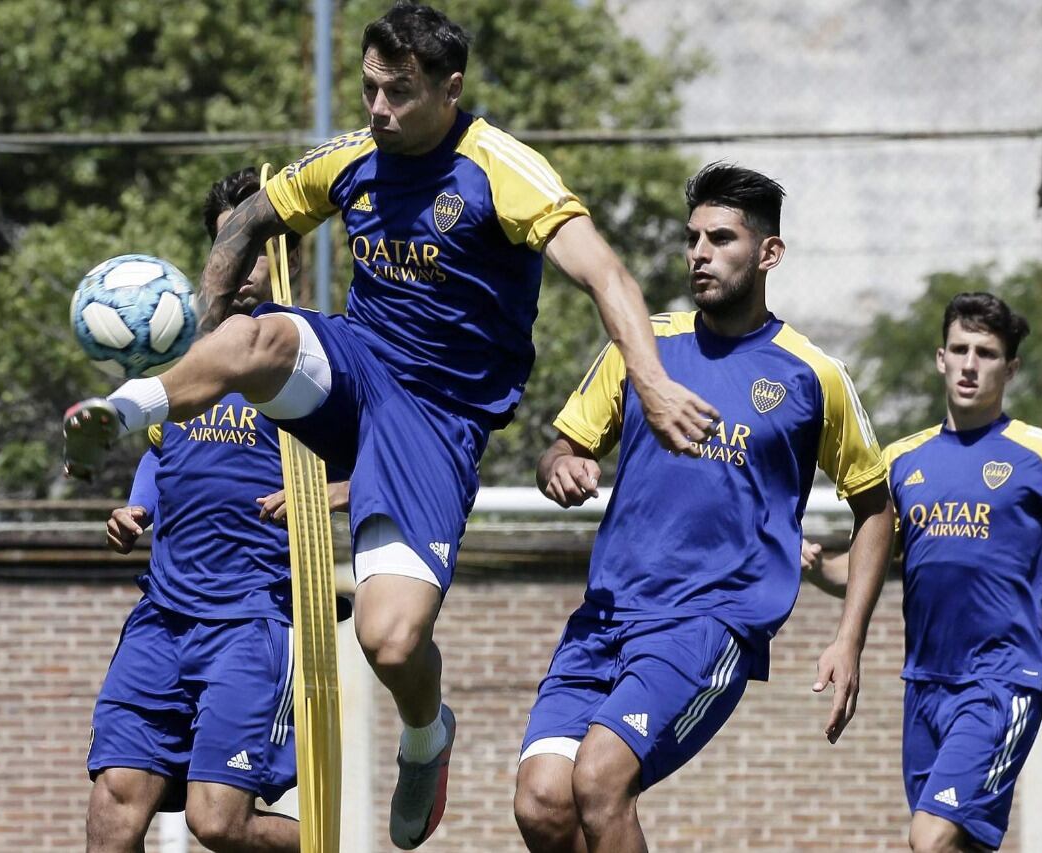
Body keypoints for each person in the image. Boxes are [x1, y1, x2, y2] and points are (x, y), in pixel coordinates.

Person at [62, 4, 721, 848]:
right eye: (370, 87)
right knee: (258, 338)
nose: (379, 108)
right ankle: (128, 406)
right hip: (357, 366)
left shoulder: (501, 169)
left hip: (436, 419)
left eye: (399, 92)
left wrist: (653, 384)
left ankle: (426, 732)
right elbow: (250, 220)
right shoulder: (351, 160)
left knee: (391, 639)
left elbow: (606, 274)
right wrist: (207, 315)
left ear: (450, 88)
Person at [513, 162, 894, 853]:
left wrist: (850, 638)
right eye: (693, 238)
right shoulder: (643, 345)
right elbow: (561, 448)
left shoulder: (813, 374)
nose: (699, 253)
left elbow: (876, 506)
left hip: (708, 622)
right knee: (542, 803)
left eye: (721, 239)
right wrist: (561, 464)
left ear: (768, 253)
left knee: (599, 780)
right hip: (605, 616)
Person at [85, 168, 349, 853]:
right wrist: (136, 508)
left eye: (257, 246)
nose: (242, 263)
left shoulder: (315, 358)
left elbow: (400, 464)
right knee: (114, 809)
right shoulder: (182, 358)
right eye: (229, 246)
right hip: (162, 616)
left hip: (253, 621)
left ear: (289, 255)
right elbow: (159, 450)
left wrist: (327, 494)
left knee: (217, 822)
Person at [802, 292, 1042, 853]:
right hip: (924, 685)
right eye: (960, 350)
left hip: (1001, 681)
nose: (970, 364)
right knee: (953, 846)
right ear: (940, 357)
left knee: (930, 837)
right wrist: (817, 569)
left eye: (986, 353)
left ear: (1010, 368)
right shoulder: (900, 461)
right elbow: (863, 570)